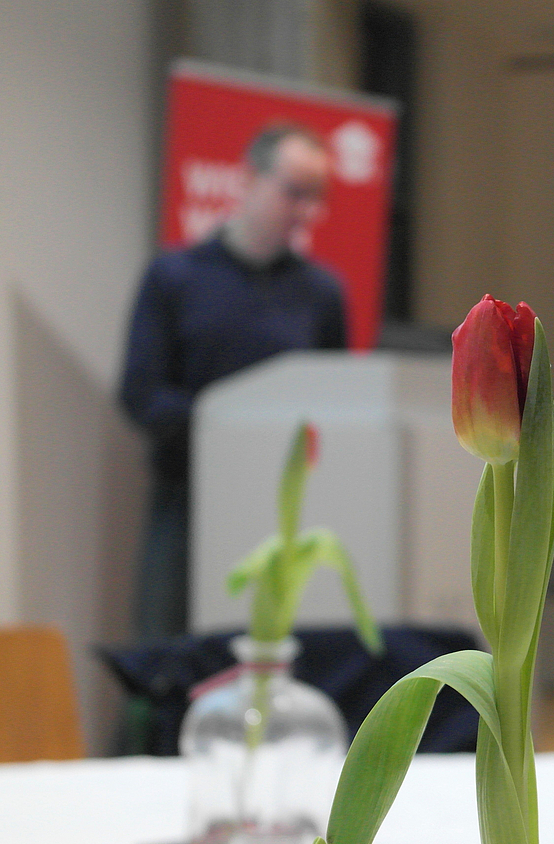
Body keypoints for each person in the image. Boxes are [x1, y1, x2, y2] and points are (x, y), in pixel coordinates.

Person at [120, 123, 346, 640]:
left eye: (317, 197)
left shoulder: (322, 292)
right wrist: (225, 425)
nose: (306, 211)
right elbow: (140, 393)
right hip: (189, 497)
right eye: (294, 191)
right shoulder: (174, 277)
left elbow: (336, 404)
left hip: (289, 507)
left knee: (291, 651)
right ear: (249, 179)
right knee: (168, 649)